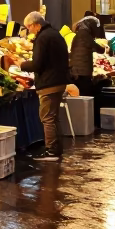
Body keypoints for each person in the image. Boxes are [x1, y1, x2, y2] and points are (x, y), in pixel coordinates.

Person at [17, 11, 70, 161]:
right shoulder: (55, 34)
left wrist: (21, 64)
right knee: (53, 117)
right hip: (59, 81)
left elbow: (37, 64)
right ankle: (56, 149)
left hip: (49, 83)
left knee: (47, 118)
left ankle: (51, 151)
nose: (29, 30)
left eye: (29, 27)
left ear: (35, 25)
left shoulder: (43, 38)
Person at [70, 15, 103, 95]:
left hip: (75, 71)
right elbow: (98, 49)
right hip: (82, 73)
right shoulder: (85, 35)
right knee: (85, 95)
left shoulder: (78, 35)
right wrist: (104, 49)